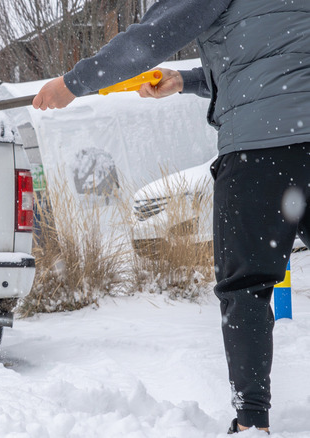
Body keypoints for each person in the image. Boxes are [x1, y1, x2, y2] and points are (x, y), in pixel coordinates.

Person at [32, 0, 310, 434]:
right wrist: (187, 80)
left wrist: (73, 83)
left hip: (260, 150)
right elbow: (270, 55)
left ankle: (253, 422)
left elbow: (146, 42)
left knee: (247, 287)